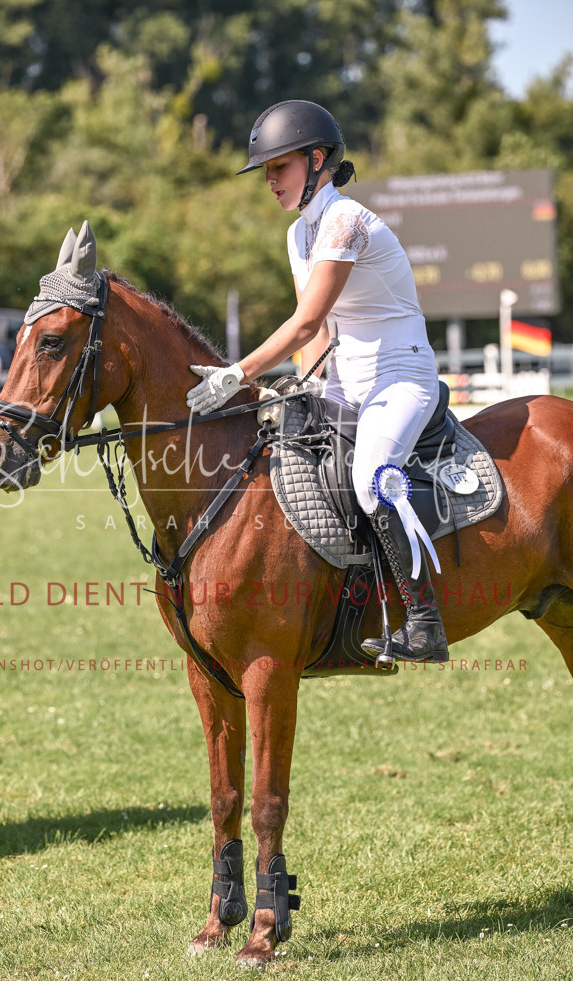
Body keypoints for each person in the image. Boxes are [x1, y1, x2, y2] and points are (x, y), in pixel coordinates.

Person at [186, 99, 448, 663]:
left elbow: (304, 319)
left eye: (279, 167)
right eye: (266, 171)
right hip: (346, 379)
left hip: (401, 376)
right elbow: (320, 329)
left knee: (374, 480)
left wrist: (238, 374)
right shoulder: (298, 236)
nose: (270, 181)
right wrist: (302, 383)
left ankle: (424, 620)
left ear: (317, 158)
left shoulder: (345, 221)